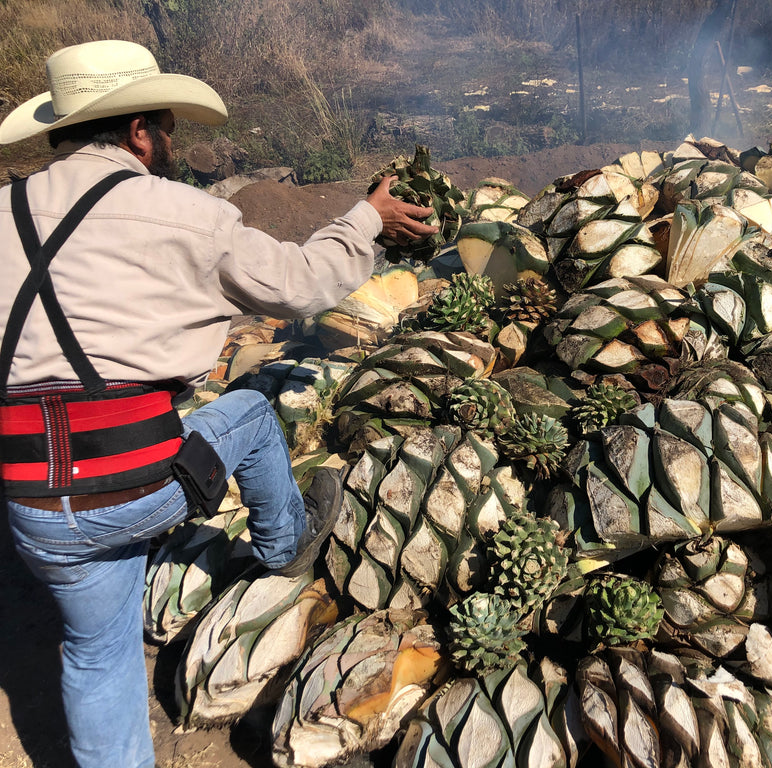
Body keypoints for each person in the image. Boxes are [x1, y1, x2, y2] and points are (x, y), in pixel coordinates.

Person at [0, 39, 436, 768]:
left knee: (95, 653)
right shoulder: (178, 212)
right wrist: (365, 219)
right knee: (251, 413)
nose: (171, 142)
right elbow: (301, 283)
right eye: (167, 125)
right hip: (136, 486)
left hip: (33, 505)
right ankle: (284, 544)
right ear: (139, 131)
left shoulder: (4, 211)